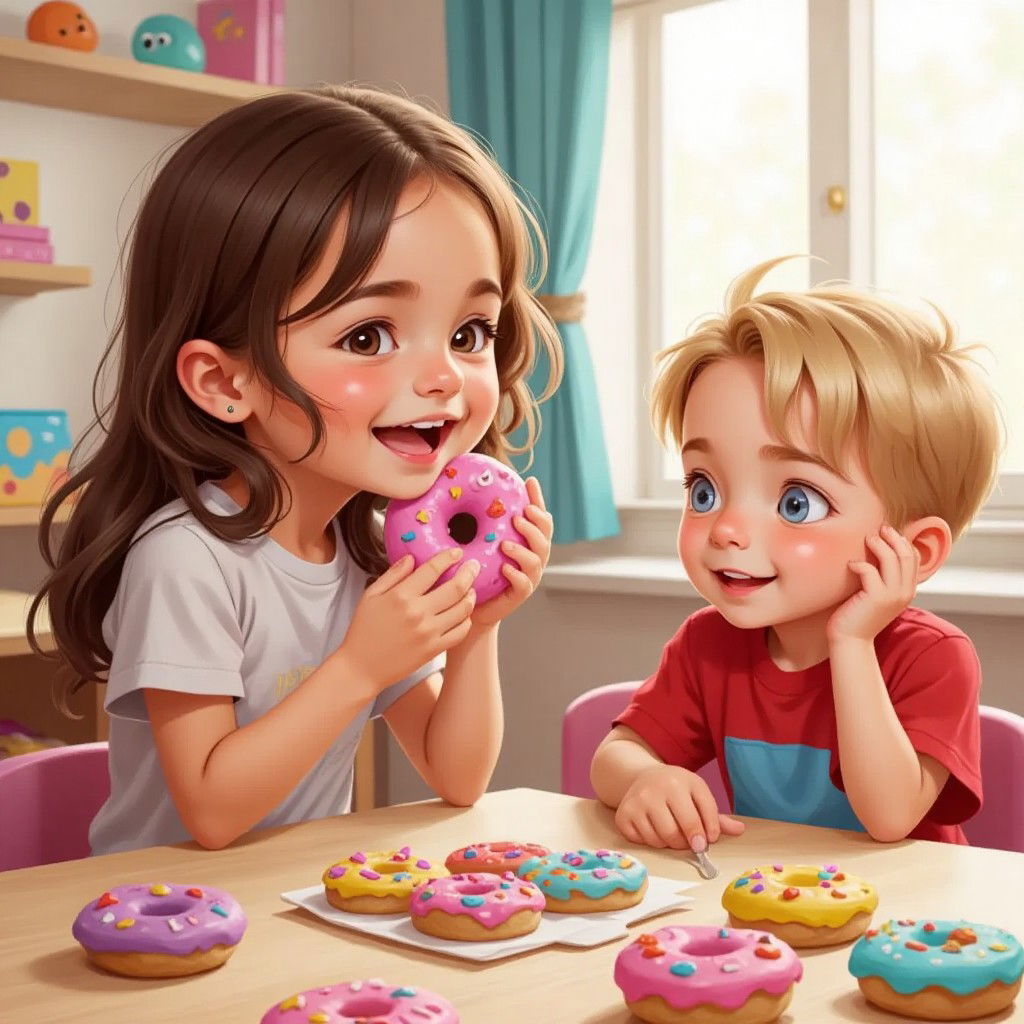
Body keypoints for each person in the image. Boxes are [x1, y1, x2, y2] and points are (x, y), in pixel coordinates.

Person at [31, 85, 561, 855]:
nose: (445, 377)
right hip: (161, 926)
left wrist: (477, 629)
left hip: (296, 914)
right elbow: (211, 810)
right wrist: (359, 667)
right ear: (223, 381)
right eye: (371, 336)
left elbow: (457, 776)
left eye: (471, 330)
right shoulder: (188, 559)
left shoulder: (369, 551)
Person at [590, 257, 1003, 849]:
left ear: (915, 548)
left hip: (907, 928)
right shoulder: (708, 646)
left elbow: (889, 818)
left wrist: (853, 642)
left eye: (796, 502)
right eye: (703, 488)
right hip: (771, 915)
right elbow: (616, 754)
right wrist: (647, 776)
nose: (727, 528)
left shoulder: (933, 659)